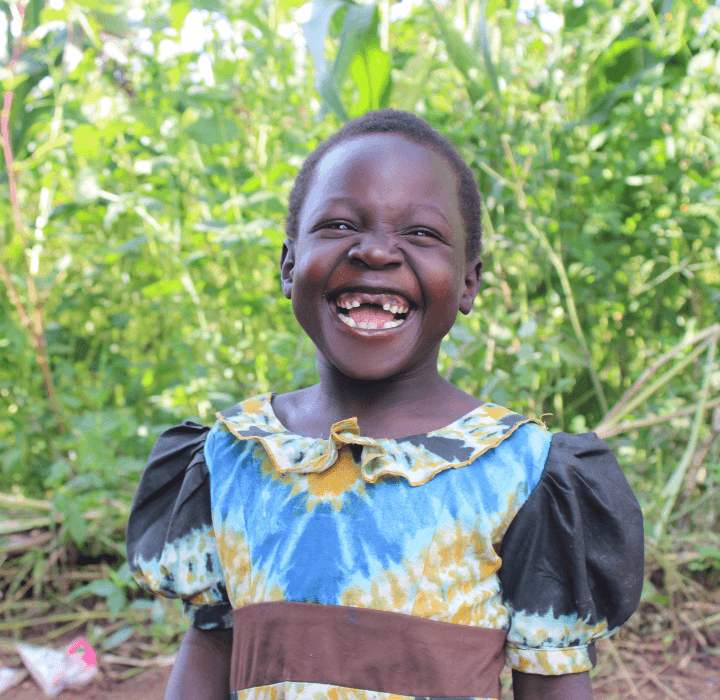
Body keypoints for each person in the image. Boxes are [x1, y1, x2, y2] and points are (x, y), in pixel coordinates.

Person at [126, 109, 644, 700]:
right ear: (289, 264)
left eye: (421, 234)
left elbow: (551, 681)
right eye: (341, 225)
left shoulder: (518, 471)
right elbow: (214, 642)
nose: (375, 252)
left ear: (468, 281)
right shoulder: (233, 454)